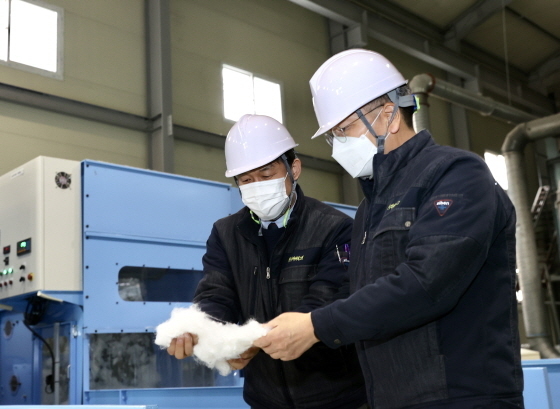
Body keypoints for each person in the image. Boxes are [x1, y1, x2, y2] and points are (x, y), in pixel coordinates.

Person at [254, 49, 524, 409]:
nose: (338, 145)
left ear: (389, 116)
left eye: (344, 130)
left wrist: (316, 326)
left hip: (462, 396)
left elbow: (428, 282)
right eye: (332, 135)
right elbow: (363, 298)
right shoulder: (369, 208)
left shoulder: (456, 174)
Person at [167, 114, 367, 409]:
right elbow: (216, 294)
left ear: (293, 169)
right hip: (265, 398)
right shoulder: (226, 234)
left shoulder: (334, 228)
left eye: (266, 175)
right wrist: (204, 330)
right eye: (246, 180)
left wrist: (253, 341)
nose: (256, 185)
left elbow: (328, 300)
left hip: (337, 396)